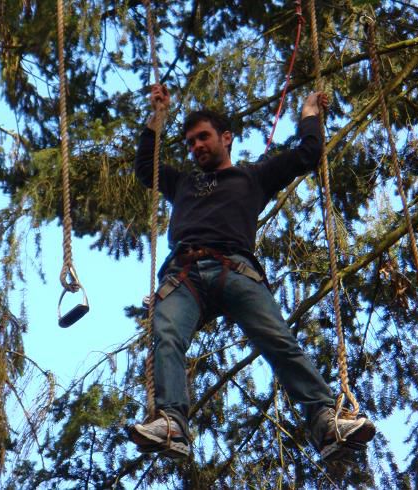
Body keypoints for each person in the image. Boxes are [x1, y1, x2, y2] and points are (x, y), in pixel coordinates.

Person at [128, 83, 376, 461]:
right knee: (167, 336)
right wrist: (157, 119)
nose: (195, 147)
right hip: (184, 274)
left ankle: (326, 420)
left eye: (203, 138)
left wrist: (309, 113)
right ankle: (172, 423)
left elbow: (307, 154)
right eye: (190, 142)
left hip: (236, 270)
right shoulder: (182, 182)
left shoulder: (252, 177)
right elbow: (146, 168)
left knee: (278, 340)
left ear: (226, 138)